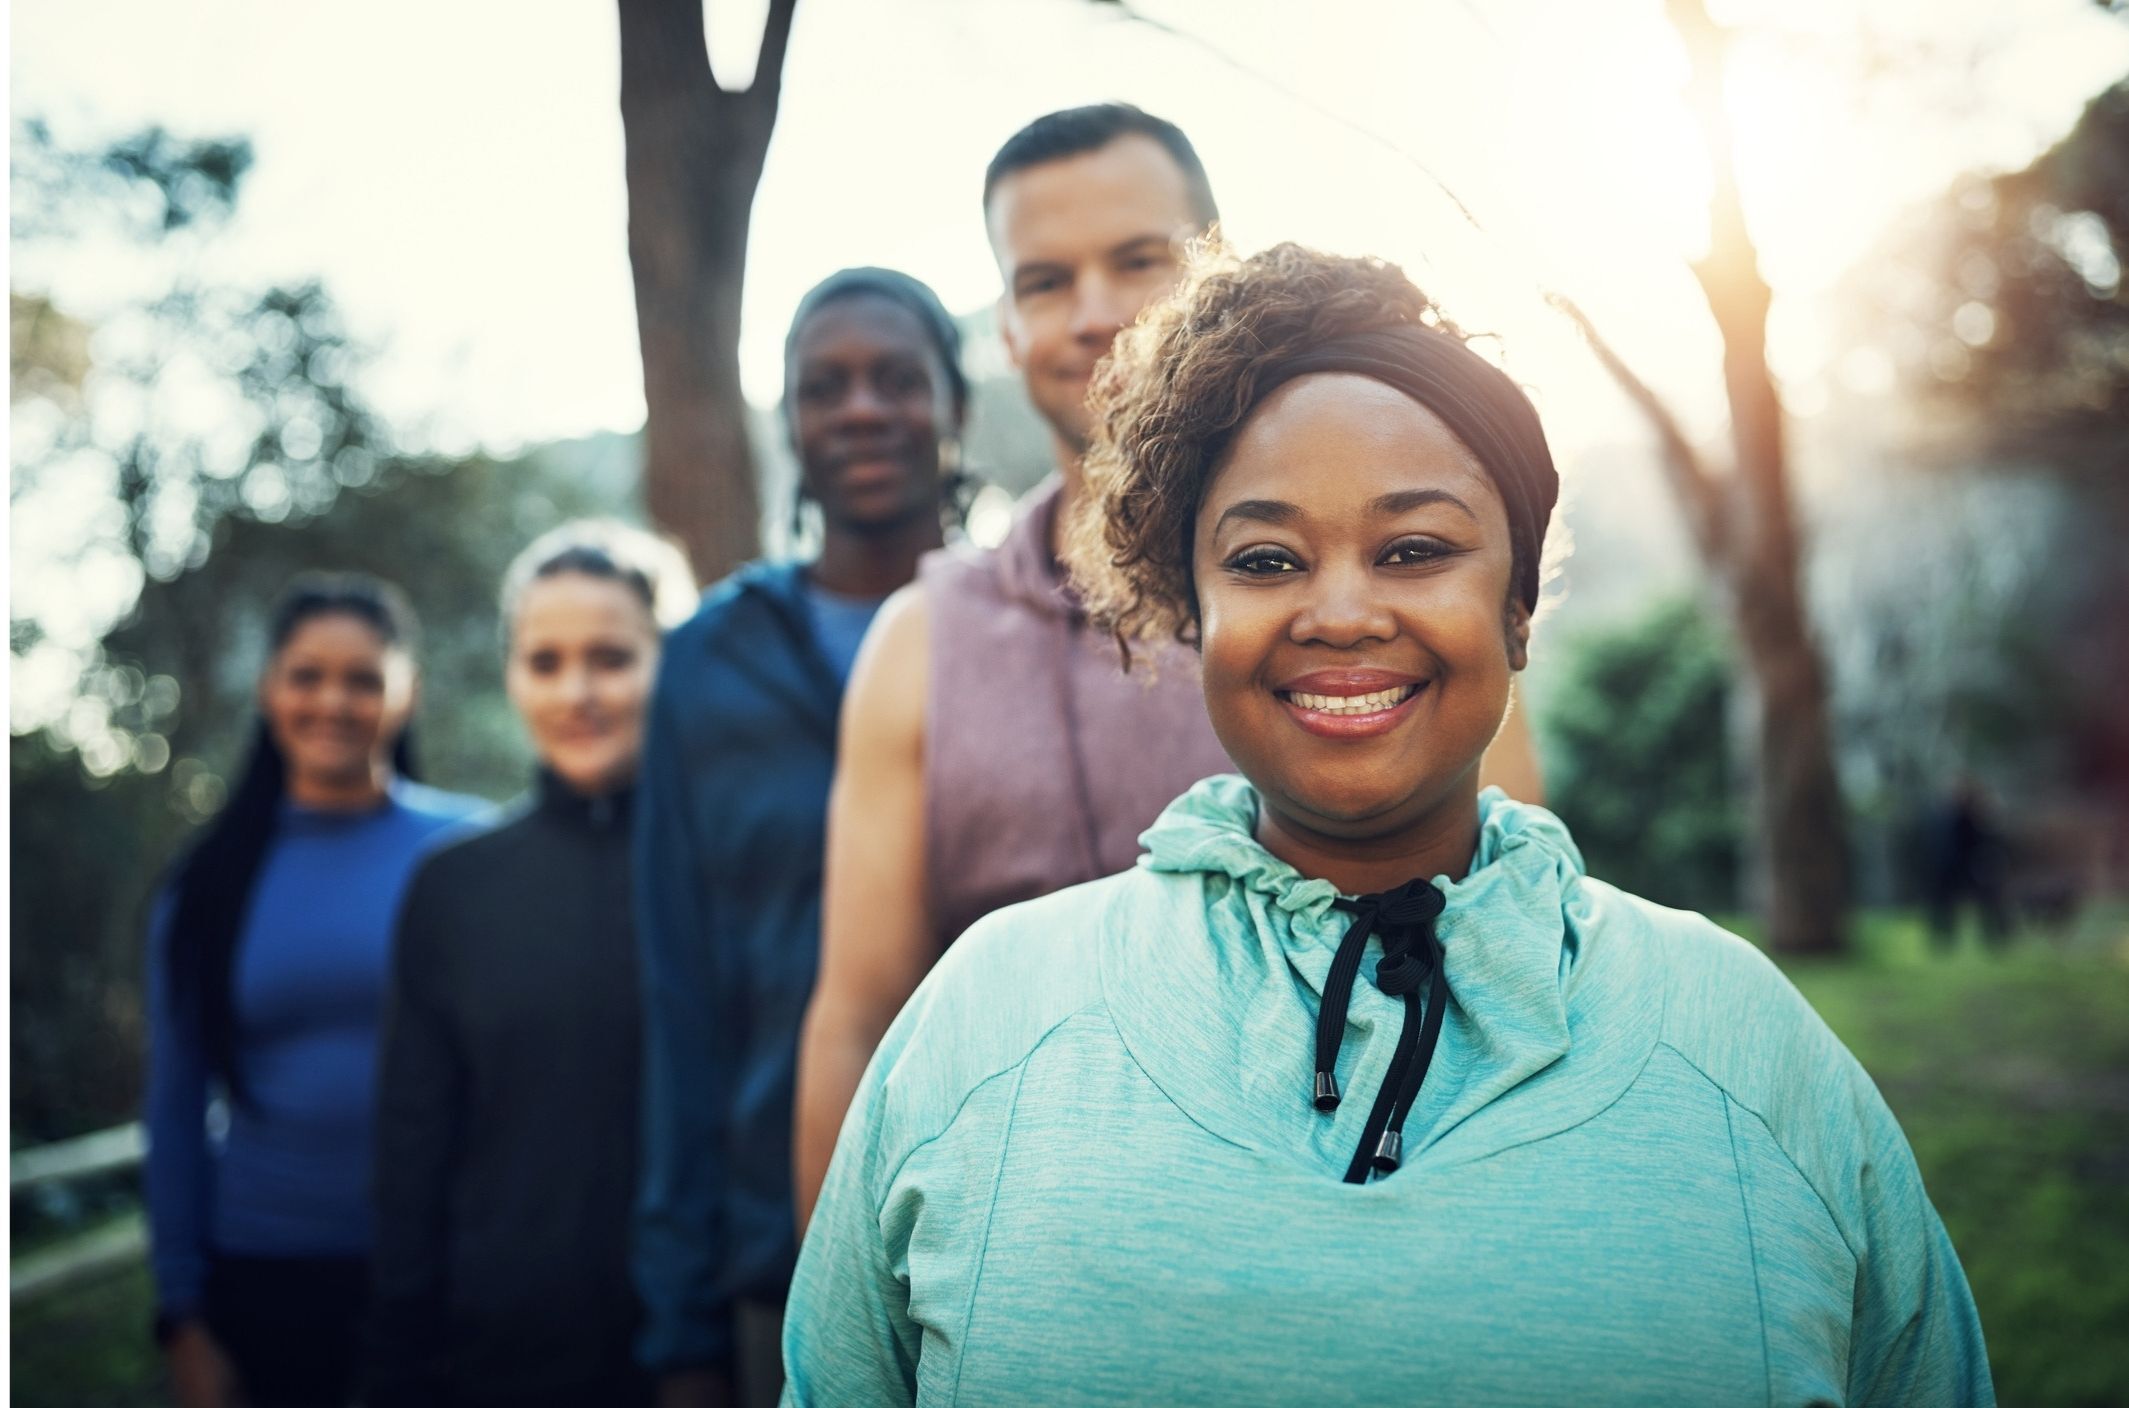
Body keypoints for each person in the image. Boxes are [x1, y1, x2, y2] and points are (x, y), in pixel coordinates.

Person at [783, 244, 1994, 1406]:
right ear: (1191, 615)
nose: (1342, 612)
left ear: (1518, 609)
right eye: (1264, 558)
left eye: (1414, 549)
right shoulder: (986, 1021)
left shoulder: (1740, 1051)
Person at [792, 103, 1545, 1226]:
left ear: (1217, 270)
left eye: (1137, 260)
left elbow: (1502, 927)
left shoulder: (1380, 616)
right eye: (1045, 280)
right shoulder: (920, 640)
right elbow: (858, 1022)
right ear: (1002, 325)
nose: (1094, 313)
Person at [632, 268, 969, 1408]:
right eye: (824, 387)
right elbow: (677, 991)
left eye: (896, 379)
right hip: (778, 1247)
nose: (861, 408)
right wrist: (679, 1321)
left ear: (954, 408)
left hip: (1016, 1233)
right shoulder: (707, 662)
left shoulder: (1029, 639)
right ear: (789, 423)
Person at [367, 522, 695, 1408]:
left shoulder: (727, 872)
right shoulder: (452, 889)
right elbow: (412, 1157)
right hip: (497, 1364)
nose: (575, 691)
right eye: (544, 662)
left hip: (712, 1363)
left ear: (672, 660)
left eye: (611, 658)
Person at [144, 573, 485, 1408]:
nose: (334, 700)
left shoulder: (471, 858)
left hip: (452, 1273)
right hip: (266, 1275)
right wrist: (183, 1320)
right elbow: (175, 1108)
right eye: (307, 676)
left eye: (364, 678)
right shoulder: (206, 885)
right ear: (269, 691)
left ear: (406, 693)